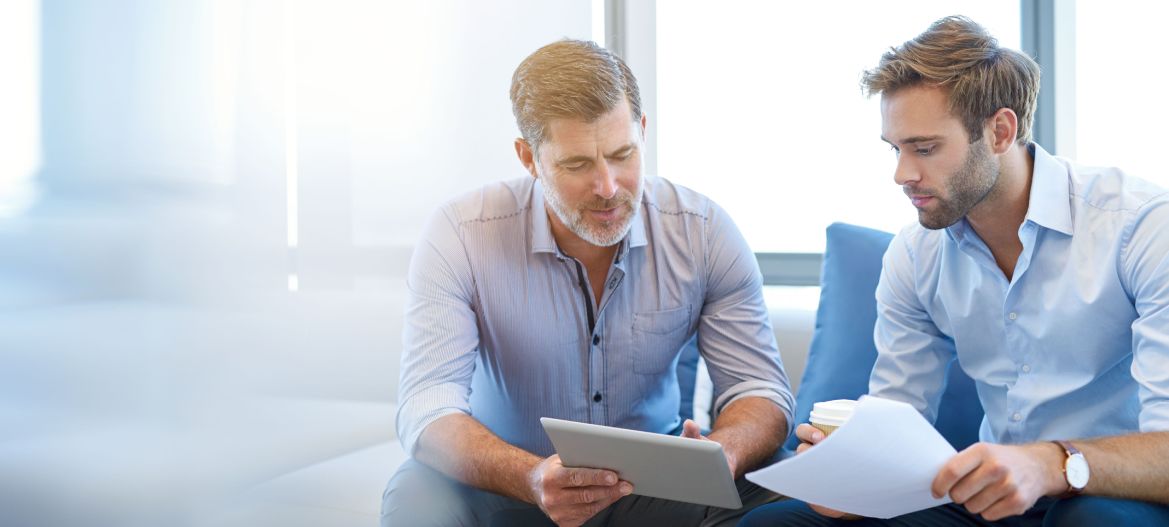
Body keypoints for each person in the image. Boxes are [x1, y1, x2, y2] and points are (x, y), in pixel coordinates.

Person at [740, 15, 1169, 527]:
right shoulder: (916, 254)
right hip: (990, 503)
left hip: (1112, 493)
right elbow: (896, 421)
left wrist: (1052, 462)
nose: (902, 174)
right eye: (895, 149)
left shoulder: (1140, 228)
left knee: (1090, 522)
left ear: (1000, 131)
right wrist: (847, 473)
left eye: (924, 148)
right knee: (774, 524)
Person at [382, 39, 794, 527]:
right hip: (511, 487)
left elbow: (760, 388)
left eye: (622, 154)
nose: (607, 186)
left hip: (656, 490)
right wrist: (533, 478)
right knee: (416, 494)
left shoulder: (702, 231)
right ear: (529, 157)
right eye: (577, 165)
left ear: (642, 131)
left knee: (784, 489)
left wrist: (724, 452)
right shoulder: (461, 234)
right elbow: (427, 407)